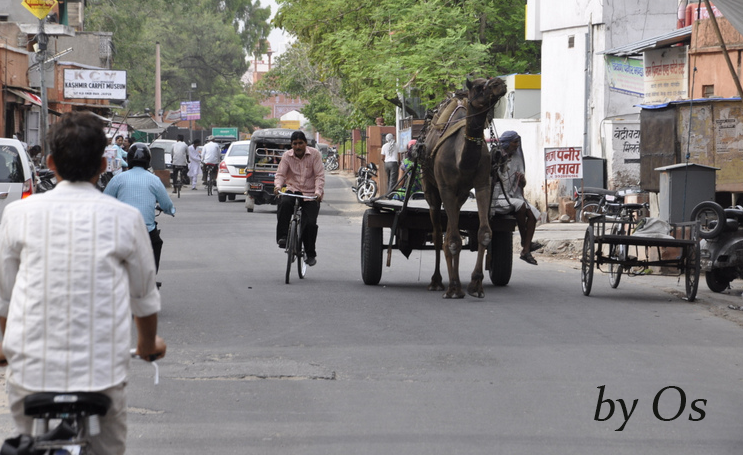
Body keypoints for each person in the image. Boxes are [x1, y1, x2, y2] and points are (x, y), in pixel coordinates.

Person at [0, 112, 166, 454]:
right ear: (103, 164)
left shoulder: (18, 213)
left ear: (49, 163)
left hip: (31, 374)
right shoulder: (126, 218)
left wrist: (3, 347)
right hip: (101, 377)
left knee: (28, 443)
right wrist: (148, 344)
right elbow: (144, 297)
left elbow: (4, 296)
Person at [104, 142, 176, 273]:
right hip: (147, 231)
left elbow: (104, 201)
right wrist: (170, 210)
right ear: (148, 160)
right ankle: (151, 277)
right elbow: (166, 204)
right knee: (157, 243)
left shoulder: (118, 179)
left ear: (129, 160)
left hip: (122, 230)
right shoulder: (154, 180)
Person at [273, 131, 325, 266]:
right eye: (295, 144)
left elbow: (319, 175)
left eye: (300, 143)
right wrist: (278, 186)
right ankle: (283, 237)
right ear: (291, 145)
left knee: (310, 224)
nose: (298, 147)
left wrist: (318, 192)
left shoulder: (315, 154)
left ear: (305, 144)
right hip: (293, 190)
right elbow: (280, 174)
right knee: (284, 204)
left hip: (310, 194)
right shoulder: (286, 156)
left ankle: (310, 253)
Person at [491, 131, 542, 265]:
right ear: (507, 143)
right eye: (515, 142)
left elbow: (523, 185)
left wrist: (522, 180)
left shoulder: (517, 158)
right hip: (499, 197)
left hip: (514, 196)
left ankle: (525, 249)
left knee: (533, 214)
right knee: (521, 206)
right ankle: (526, 243)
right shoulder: (496, 156)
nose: (517, 145)